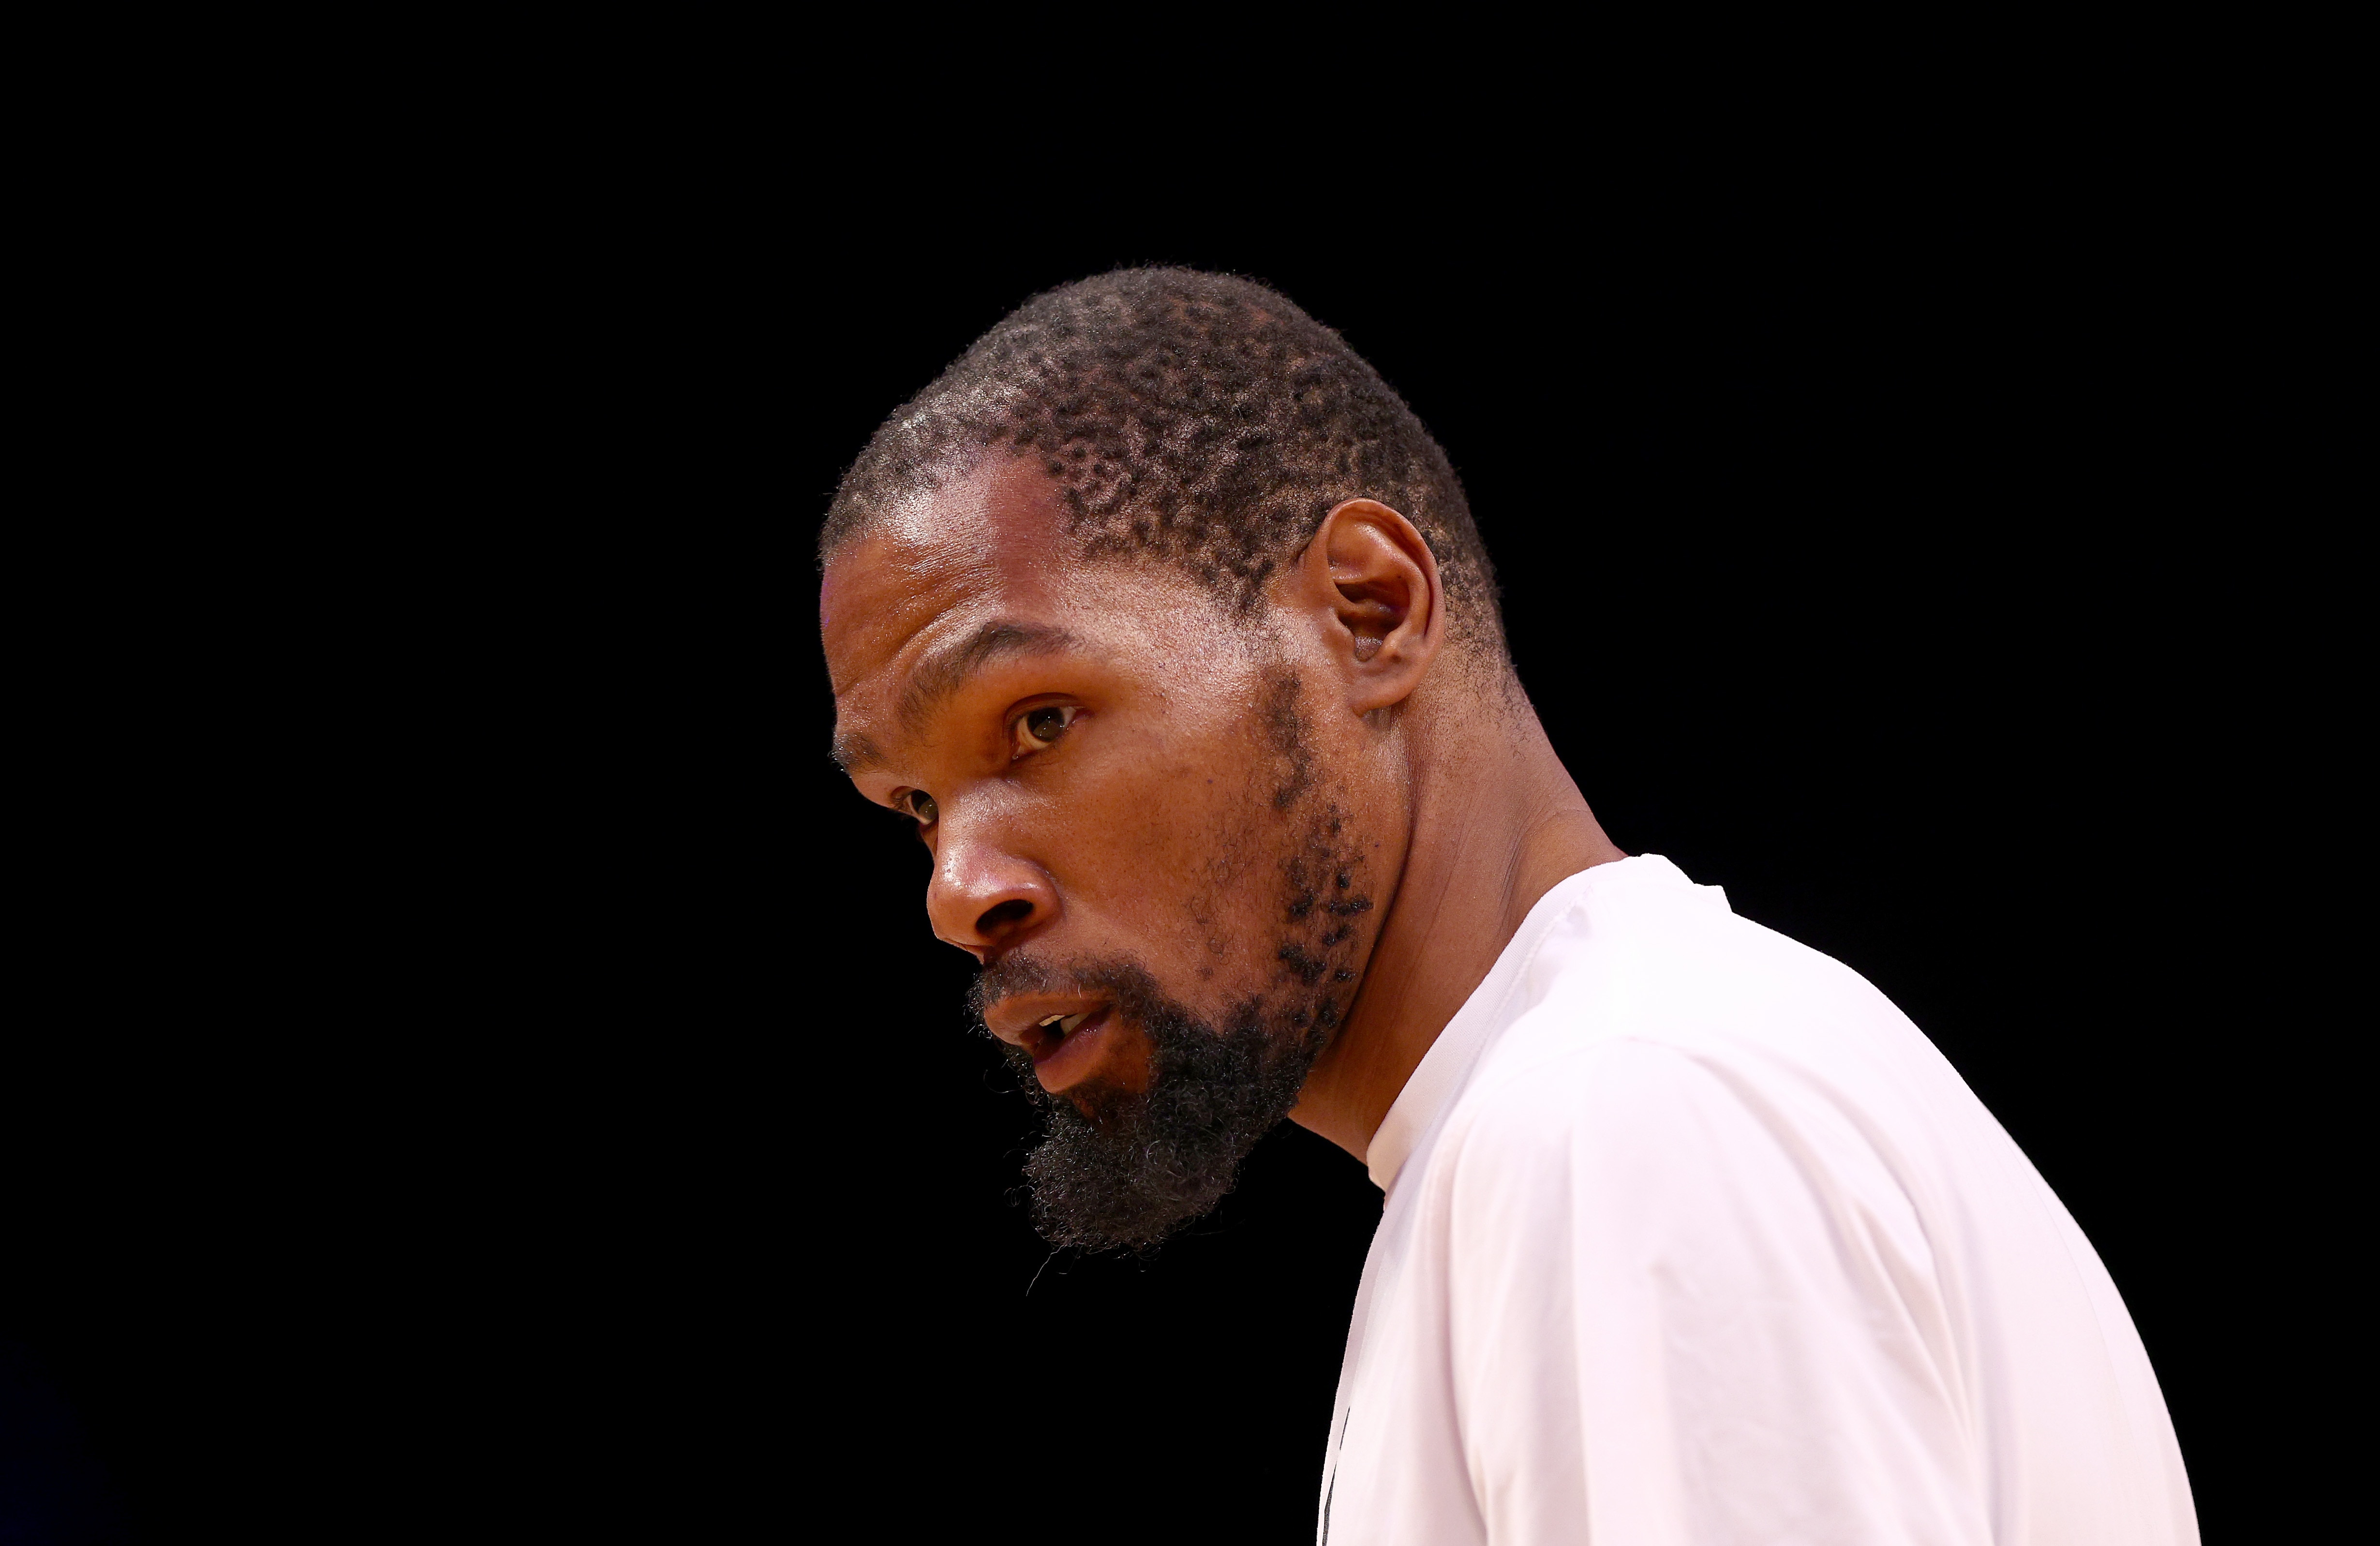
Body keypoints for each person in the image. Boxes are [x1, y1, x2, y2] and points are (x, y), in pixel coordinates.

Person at [817, 268, 2197, 1545]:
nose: (957, 892)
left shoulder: (1622, 1115)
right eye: (919, 810)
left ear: (1367, 610)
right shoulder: (1597, 1100)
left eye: (1039, 720)